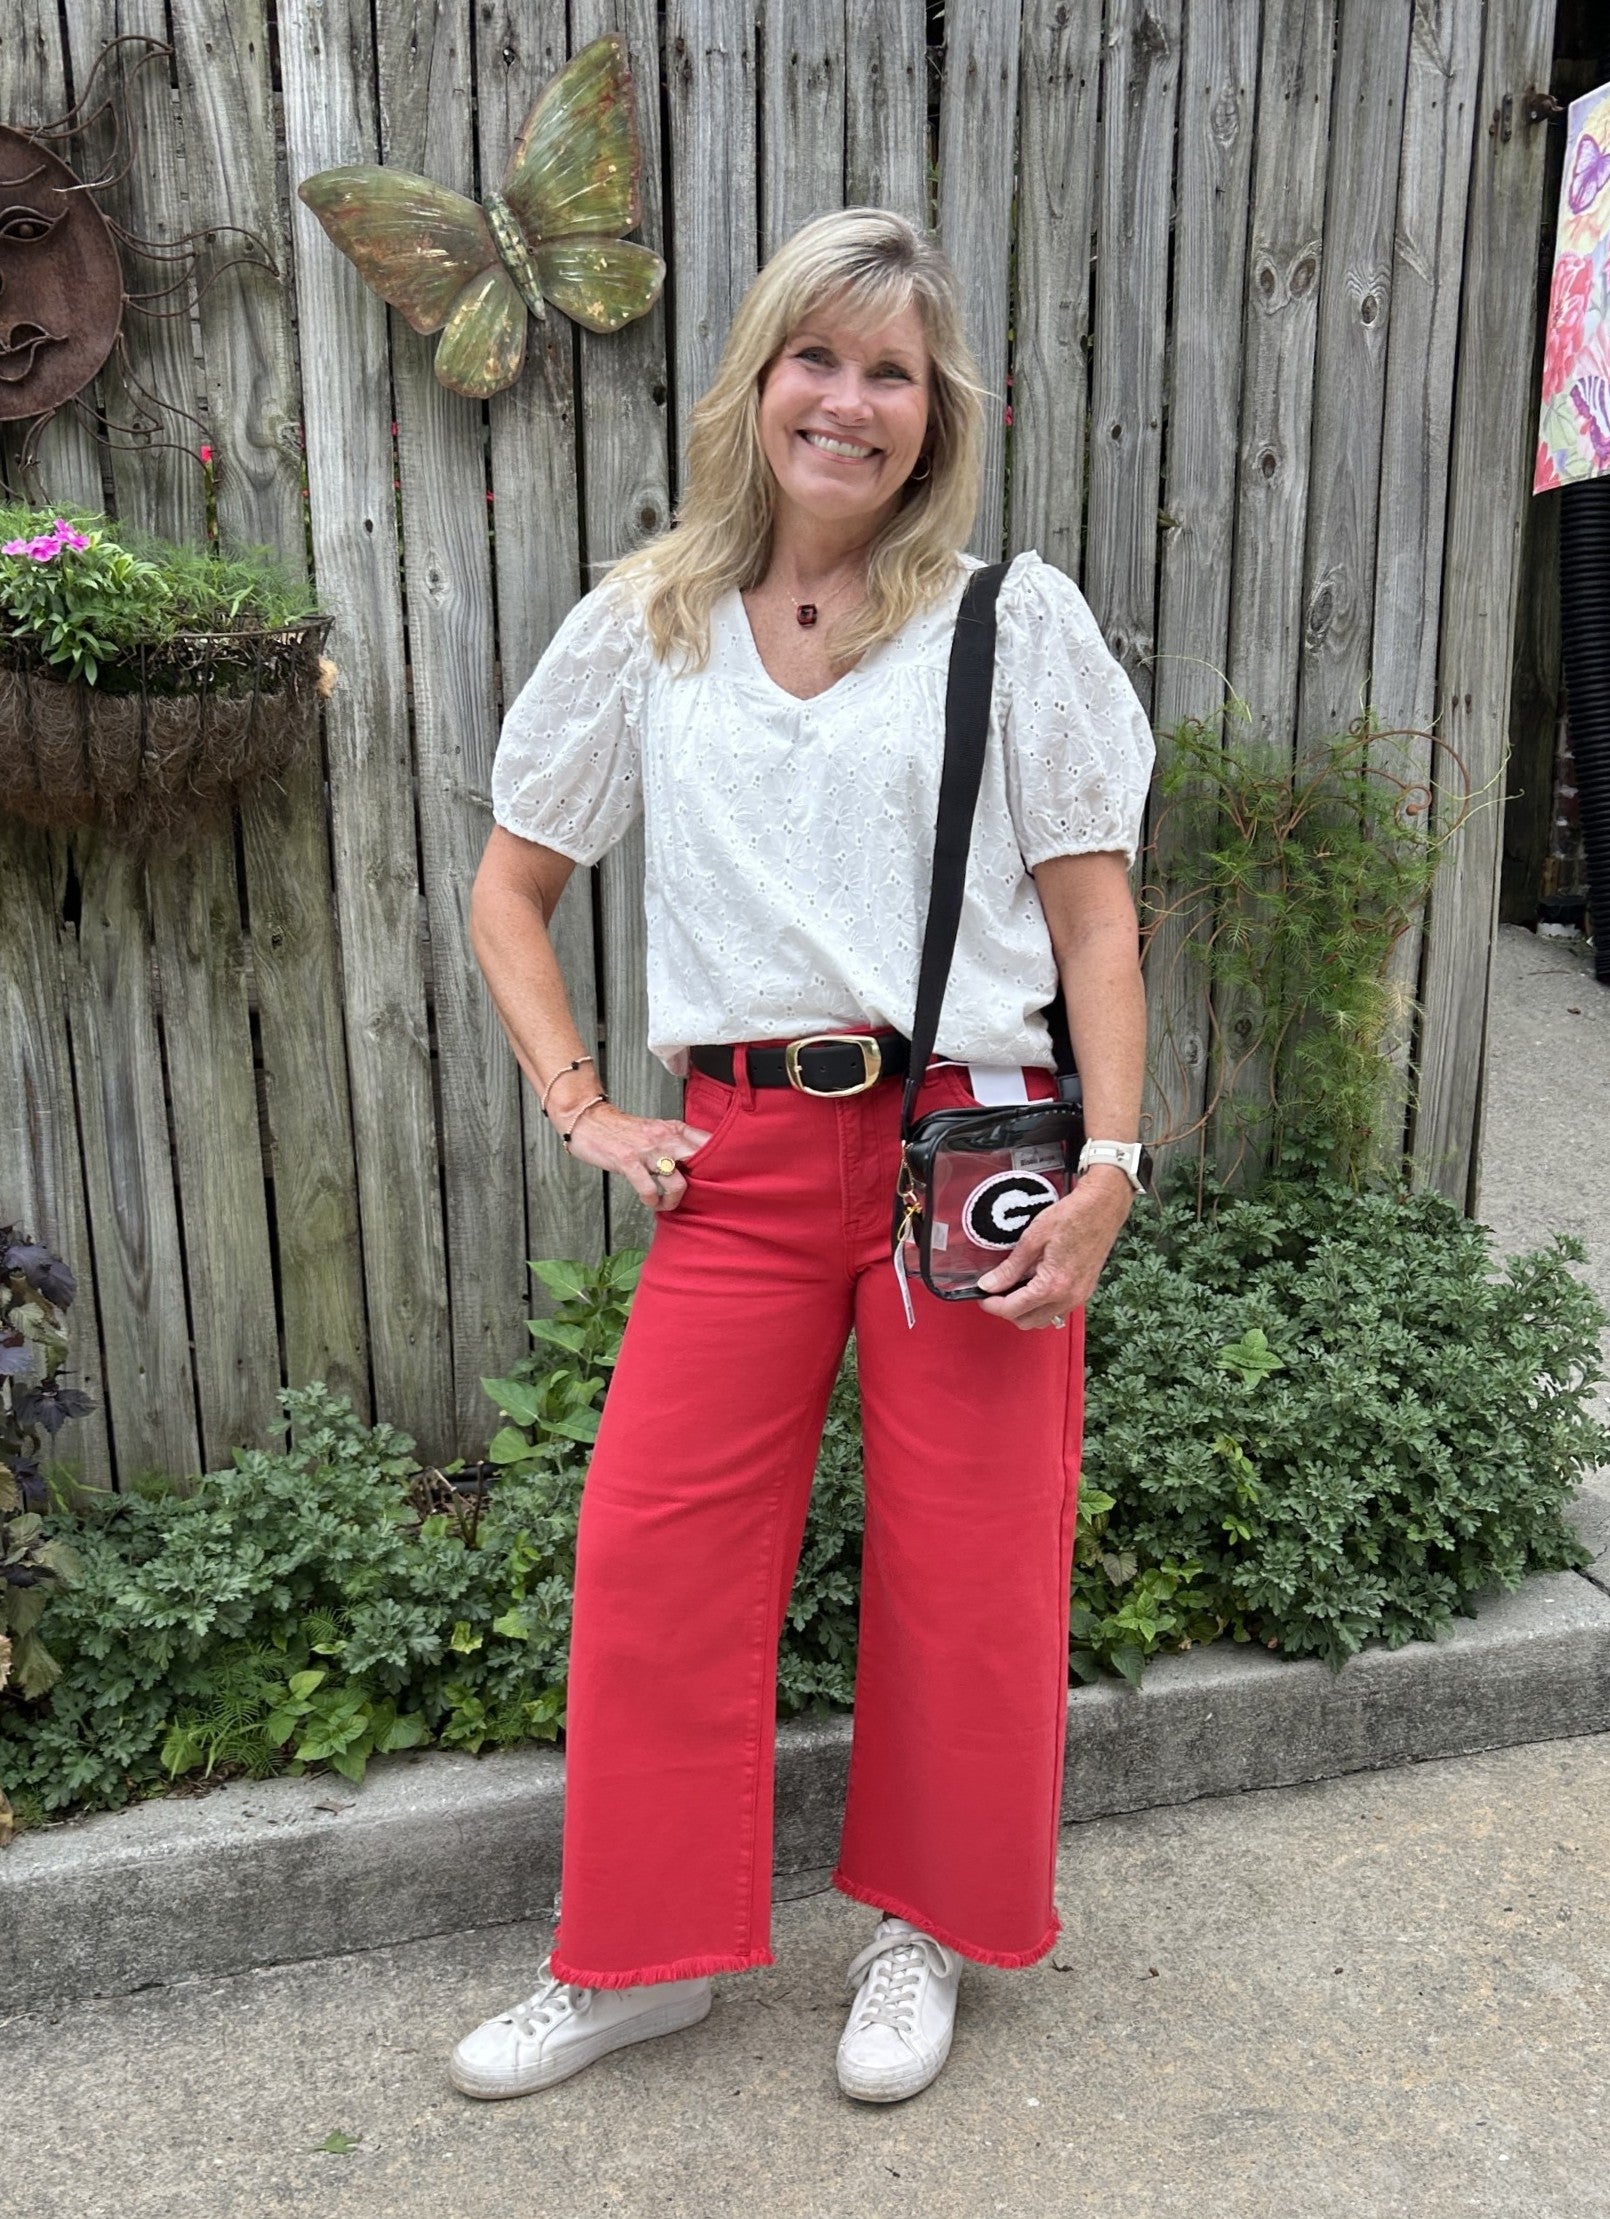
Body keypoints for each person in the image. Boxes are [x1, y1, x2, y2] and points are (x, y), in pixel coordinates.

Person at [459, 207, 1154, 2106]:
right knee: (654, 1551)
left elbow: (1097, 927)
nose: (850, 404)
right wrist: (588, 1105)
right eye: (818, 360)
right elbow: (510, 894)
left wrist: (1112, 1163)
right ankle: (641, 1958)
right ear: (758, 381)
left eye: (893, 375)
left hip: (964, 1149)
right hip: (742, 1159)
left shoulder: (1010, 624)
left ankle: (922, 1933)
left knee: (971, 1563)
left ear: (938, 419)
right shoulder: (649, 621)